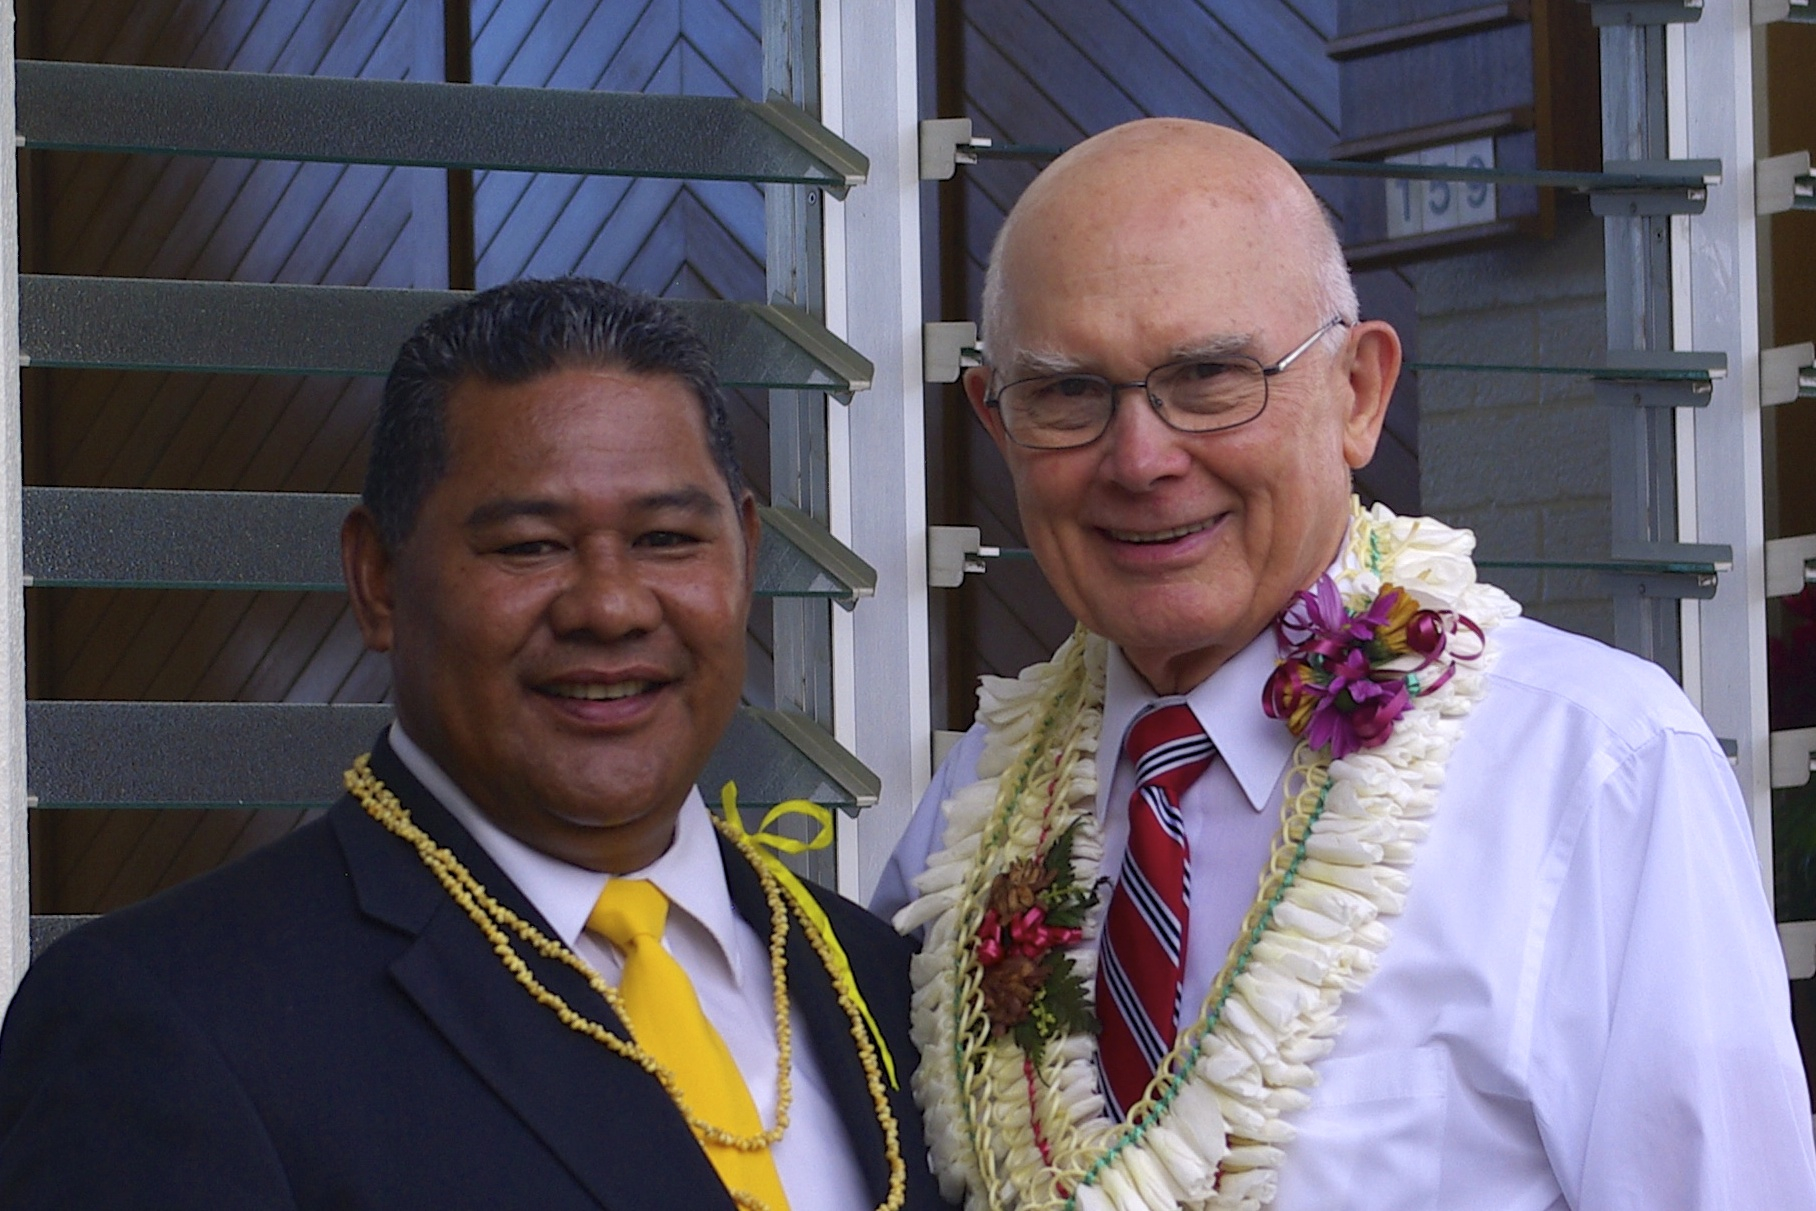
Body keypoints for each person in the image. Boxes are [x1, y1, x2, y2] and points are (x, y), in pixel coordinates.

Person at [872, 119, 1816, 1211]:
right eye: (1068, 393)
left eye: (1210, 376)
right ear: (997, 422)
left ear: (1358, 392)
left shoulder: (1592, 768)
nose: (1140, 458)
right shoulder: (977, 810)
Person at [0, 278, 946, 1211]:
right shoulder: (172, 1021)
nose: (610, 606)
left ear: (744, 555)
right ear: (377, 578)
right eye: (530, 546)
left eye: (666, 538)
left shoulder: (891, 989)